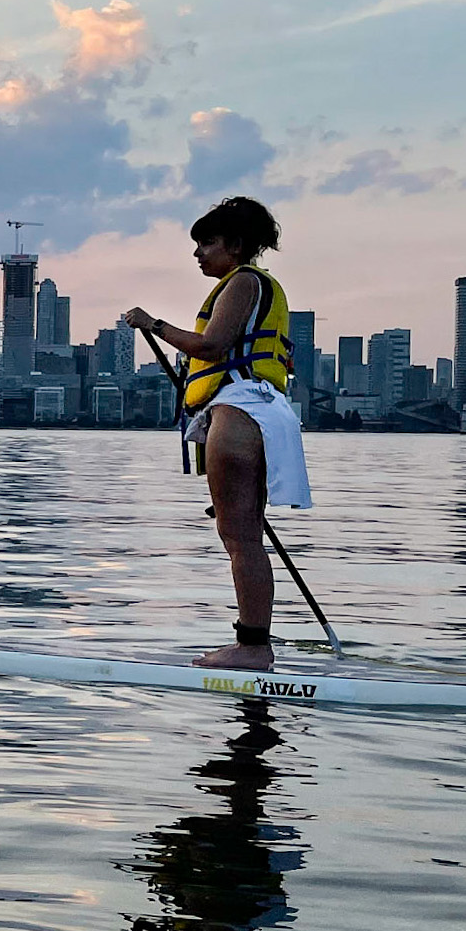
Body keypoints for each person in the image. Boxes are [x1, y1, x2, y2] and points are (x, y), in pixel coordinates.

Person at [123, 196, 309, 670]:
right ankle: (254, 644)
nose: (198, 253)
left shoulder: (243, 281)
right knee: (243, 533)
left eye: (207, 243)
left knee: (239, 536)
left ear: (237, 245)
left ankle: (252, 648)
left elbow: (210, 345)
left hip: (241, 411)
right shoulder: (249, 284)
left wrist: (153, 324)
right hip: (255, 410)